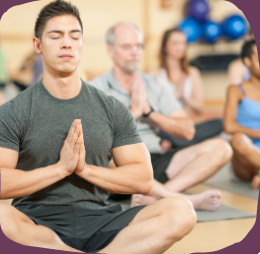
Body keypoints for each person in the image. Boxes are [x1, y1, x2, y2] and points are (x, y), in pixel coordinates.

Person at [0, 1, 198, 254]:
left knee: (180, 211)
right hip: (36, 224)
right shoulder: (13, 111)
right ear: (37, 45)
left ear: (82, 44)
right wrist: (60, 169)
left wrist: (84, 170)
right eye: (55, 36)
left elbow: (142, 178)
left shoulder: (111, 108)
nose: (67, 43)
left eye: (75, 36)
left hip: (100, 221)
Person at [89, 21, 233, 210]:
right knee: (100, 158)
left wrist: (150, 113)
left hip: (155, 159)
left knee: (222, 148)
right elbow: (96, 142)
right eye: (126, 47)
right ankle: (180, 199)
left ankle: (157, 196)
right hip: (119, 166)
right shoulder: (94, 89)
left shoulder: (154, 84)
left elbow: (188, 131)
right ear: (110, 50)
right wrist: (133, 113)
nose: (135, 52)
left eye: (138, 46)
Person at [152, 28, 223, 150]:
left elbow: (199, 109)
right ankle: (190, 142)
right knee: (158, 131)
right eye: (175, 43)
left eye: (183, 43)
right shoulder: (155, 73)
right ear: (164, 47)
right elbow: (152, 109)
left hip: (186, 127)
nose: (180, 47)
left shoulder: (192, 72)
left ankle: (179, 143)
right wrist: (176, 94)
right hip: (166, 127)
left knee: (220, 123)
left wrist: (185, 97)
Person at [224, 39, 260, 190]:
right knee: (237, 140)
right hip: (245, 155)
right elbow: (229, 126)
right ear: (248, 61)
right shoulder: (236, 90)